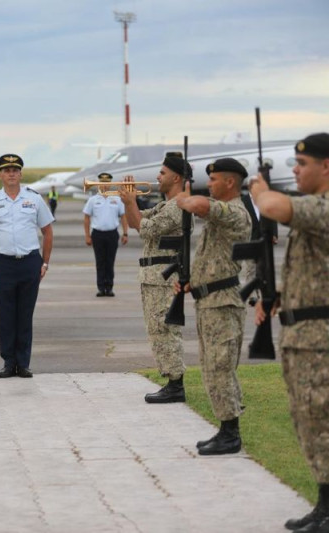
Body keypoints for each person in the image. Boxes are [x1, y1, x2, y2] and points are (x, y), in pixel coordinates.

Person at [250, 133, 329, 532]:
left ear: (326, 166)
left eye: (302, 164)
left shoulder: (323, 207)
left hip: (322, 342)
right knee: (312, 424)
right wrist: (278, 296)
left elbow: (274, 206)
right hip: (305, 337)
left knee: (324, 424)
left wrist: (260, 189)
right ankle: (325, 506)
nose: (295, 171)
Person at [174, 157, 251, 456]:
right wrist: (192, 281)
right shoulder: (223, 215)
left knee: (220, 366)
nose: (210, 184)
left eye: (215, 179)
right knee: (211, 367)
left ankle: (231, 433)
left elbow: (203, 207)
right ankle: (225, 427)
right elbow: (215, 257)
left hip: (223, 303)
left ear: (230, 182)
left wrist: (184, 198)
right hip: (208, 300)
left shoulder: (235, 212)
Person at [0, 154, 54, 378]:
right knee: (7, 314)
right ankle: (9, 362)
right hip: (2, 264)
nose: (11, 173)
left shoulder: (34, 199)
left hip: (29, 261)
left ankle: (24, 363)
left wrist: (45, 262)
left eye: (15, 170)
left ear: (21, 174)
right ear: (0, 174)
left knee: (25, 314)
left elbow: (47, 231)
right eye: (6, 170)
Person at [119, 155, 189, 403]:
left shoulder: (178, 207)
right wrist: (129, 202)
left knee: (165, 329)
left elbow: (144, 228)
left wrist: (131, 201)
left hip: (163, 278)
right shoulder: (165, 205)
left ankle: (176, 384)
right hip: (154, 277)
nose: (158, 177)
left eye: (162, 173)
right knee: (156, 330)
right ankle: (171, 380)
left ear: (176, 177)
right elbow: (136, 217)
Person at [83, 172, 129, 297]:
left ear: (110, 185)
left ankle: (109, 287)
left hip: (112, 234)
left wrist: (125, 233)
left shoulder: (117, 199)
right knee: (100, 262)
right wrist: (87, 235)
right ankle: (100, 287)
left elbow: (123, 216)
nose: (104, 186)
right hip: (97, 234)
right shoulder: (92, 200)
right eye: (102, 183)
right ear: (98, 184)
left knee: (110, 261)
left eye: (106, 183)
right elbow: (86, 217)